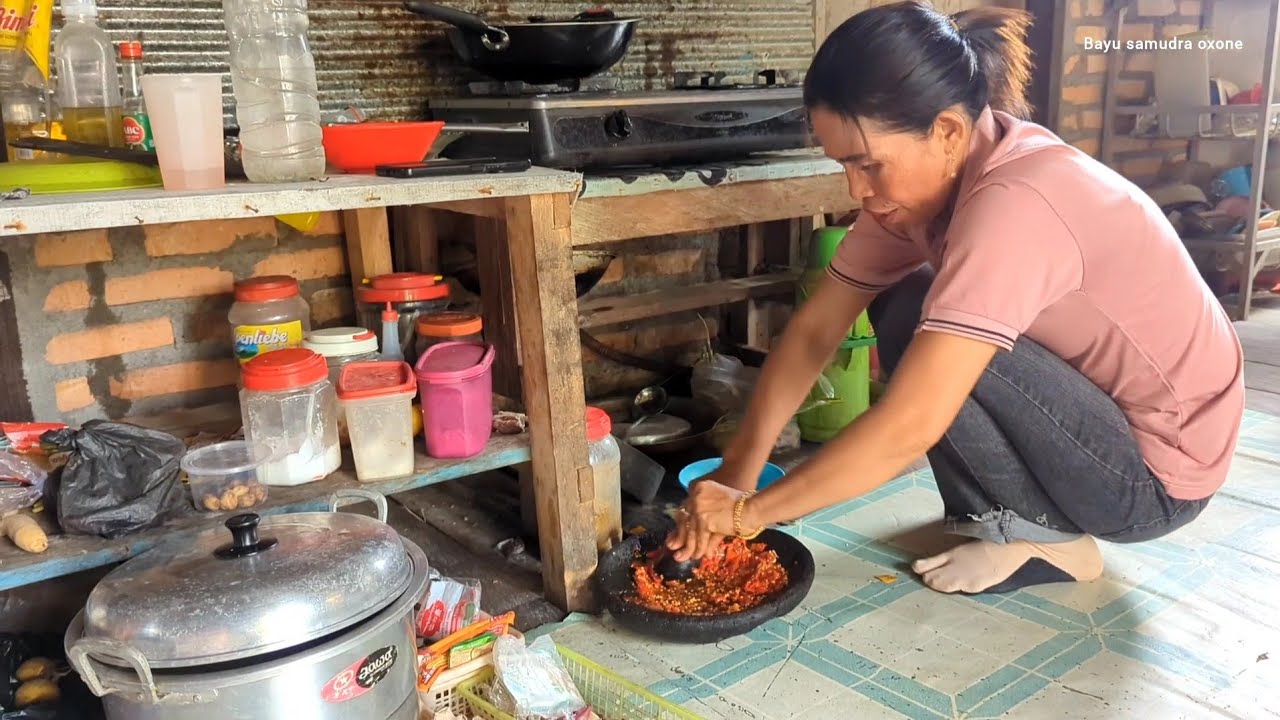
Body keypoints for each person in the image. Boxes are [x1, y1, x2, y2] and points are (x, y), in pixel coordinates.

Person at [666, 0, 1244, 595]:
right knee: (905, 305)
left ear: (945, 131)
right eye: (844, 164)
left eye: (869, 164)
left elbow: (911, 424)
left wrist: (750, 515)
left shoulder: (1017, 204)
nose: (856, 189)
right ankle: (1009, 521)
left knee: (931, 333)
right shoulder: (926, 182)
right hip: (1101, 418)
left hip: (1153, 482)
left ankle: (1049, 543)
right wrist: (739, 474)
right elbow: (817, 329)